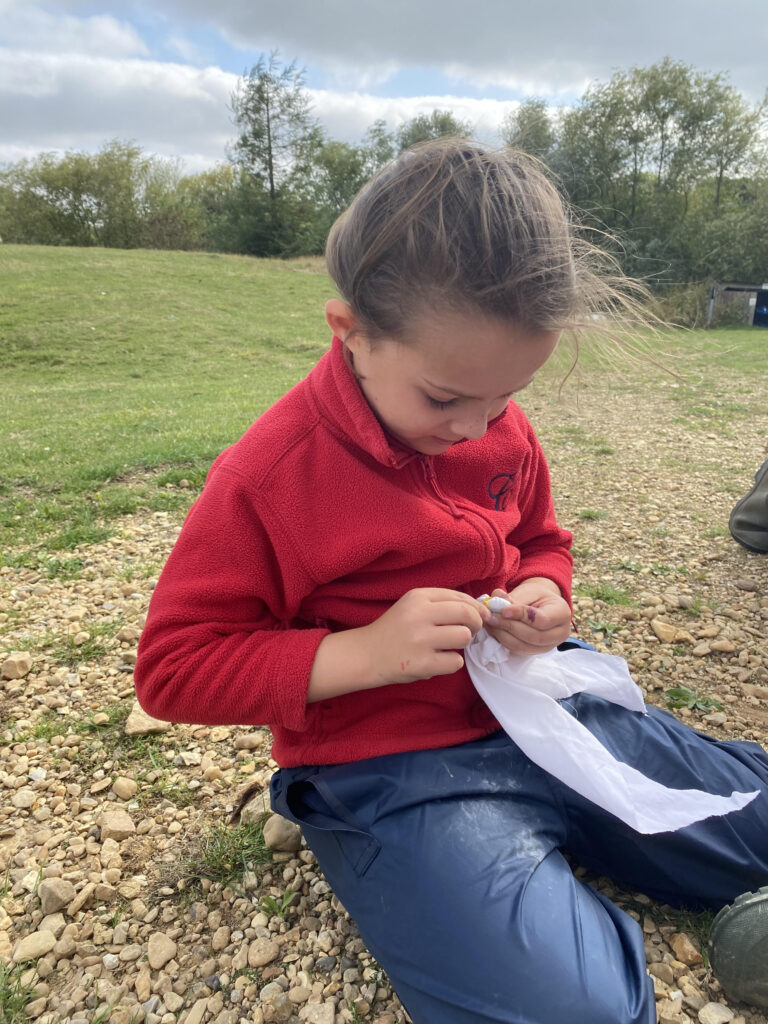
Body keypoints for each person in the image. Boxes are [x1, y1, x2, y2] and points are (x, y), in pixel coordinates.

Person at [134, 141, 768, 1024]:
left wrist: (547, 594)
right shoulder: (271, 477)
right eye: (443, 400)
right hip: (393, 770)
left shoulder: (491, 420)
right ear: (350, 331)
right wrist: (360, 653)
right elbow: (173, 668)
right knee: (568, 1011)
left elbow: (542, 538)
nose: (477, 431)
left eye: (506, 397)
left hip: (540, 704)